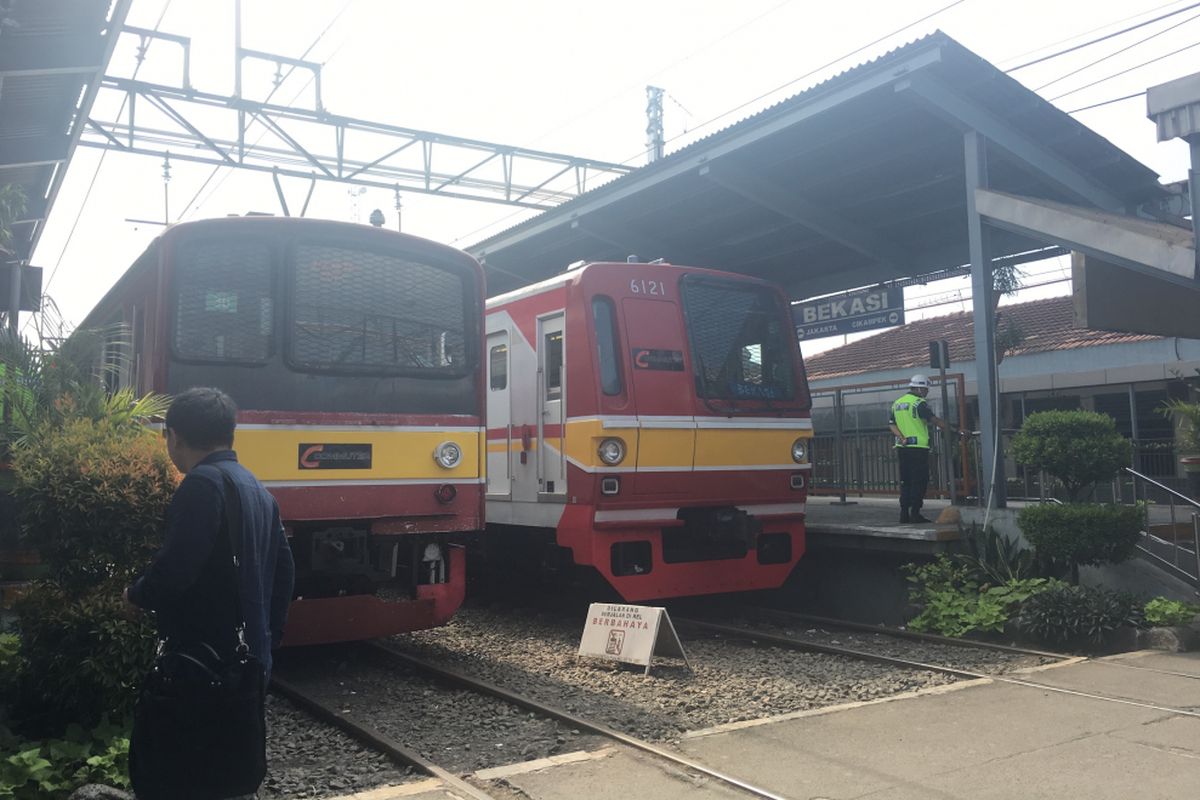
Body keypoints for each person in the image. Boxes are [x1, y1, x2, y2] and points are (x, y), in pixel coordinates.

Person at [124, 387, 294, 798]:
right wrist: (266, 638)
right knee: (229, 773)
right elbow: (285, 574)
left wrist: (136, 594)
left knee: (186, 775)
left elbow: (176, 570)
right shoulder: (256, 488)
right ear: (229, 434)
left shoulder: (201, 485)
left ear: (174, 436)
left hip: (201, 663)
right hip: (246, 660)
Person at [888, 374, 964, 524]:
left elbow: (891, 424)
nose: (927, 392)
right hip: (918, 448)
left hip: (903, 448)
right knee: (919, 481)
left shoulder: (897, 403)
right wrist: (956, 431)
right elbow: (934, 420)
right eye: (926, 389)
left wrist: (902, 437)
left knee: (906, 481)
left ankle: (904, 514)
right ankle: (915, 513)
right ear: (920, 388)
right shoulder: (919, 403)